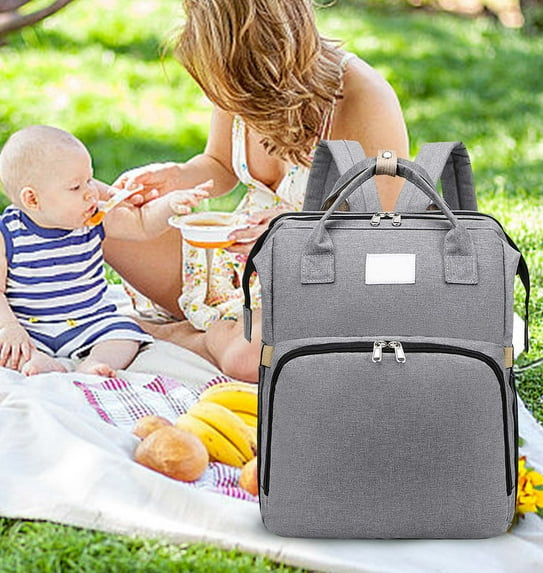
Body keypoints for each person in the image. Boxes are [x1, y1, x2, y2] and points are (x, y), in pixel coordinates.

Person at [102, 0, 409, 382]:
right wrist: (177, 176)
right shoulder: (237, 79)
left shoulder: (363, 97)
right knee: (96, 211)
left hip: (317, 284)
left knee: (251, 356)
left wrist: (292, 233)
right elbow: (220, 164)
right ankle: (218, 326)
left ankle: (179, 336)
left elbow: (386, 236)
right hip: (236, 267)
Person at [0, 125, 208, 376]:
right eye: (75, 187)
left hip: (89, 322)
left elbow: (142, 225)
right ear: (32, 199)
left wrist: (170, 205)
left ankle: (94, 363)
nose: (90, 193)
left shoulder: (93, 218)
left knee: (124, 335)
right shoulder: (7, 233)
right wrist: (10, 328)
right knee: (10, 347)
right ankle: (38, 360)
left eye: (89, 179)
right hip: (29, 327)